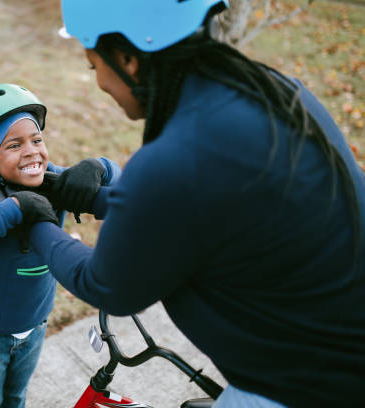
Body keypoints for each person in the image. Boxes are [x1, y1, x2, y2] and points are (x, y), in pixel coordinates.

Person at [21, 2, 365, 407]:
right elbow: (200, 209)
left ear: (128, 59)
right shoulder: (273, 92)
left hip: (308, 390)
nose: (99, 83)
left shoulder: (176, 160)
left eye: (93, 66)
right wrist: (95, 197)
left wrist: (37, 222)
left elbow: (108, 286)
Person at [0, 83, 121, 408]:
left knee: (16, 398)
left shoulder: (52, 180)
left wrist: (100, 167)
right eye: (14, 145)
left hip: (34, 326)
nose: (32, 151)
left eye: (37, 140)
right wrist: (13, 209)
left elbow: (122, 190)